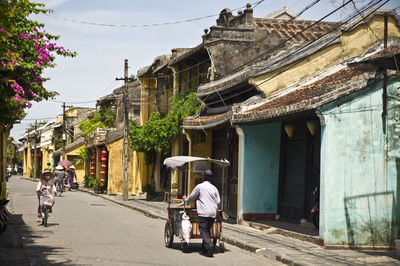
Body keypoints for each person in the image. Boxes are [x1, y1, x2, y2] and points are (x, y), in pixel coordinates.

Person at [183, 170, 220, 257]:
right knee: (207, 230)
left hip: (204, 213)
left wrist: (186, 201)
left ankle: (209, 245)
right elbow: (218, 201)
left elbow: (192, 197)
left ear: (204, 177)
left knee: (203, 230)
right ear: (211, 178)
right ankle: (205, 249)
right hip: (212, 213)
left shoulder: (200, 187)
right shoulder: (214, 188)